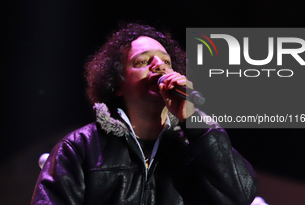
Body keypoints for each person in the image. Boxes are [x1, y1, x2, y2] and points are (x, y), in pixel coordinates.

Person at [31, 23, 258, 205]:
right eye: (143, 61)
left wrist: (194, 122)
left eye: (167, 61)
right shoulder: (79, 148)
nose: (159, 65)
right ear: (117, 83)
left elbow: (241, 196)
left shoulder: (194, 147)